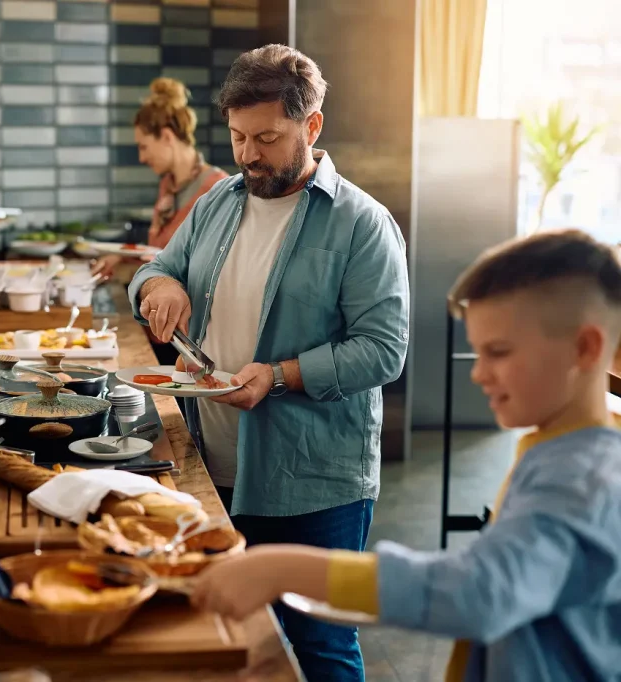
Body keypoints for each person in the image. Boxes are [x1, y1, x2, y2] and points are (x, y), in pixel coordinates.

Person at [191, 230, 621, 682]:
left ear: (585, 349)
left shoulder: (580, 478)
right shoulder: (563, 449)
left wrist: (285, 568)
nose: (478, 373)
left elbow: (479, 593)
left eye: (499, 353)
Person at [128, 44, 410, 681]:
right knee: (236, 642)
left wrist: (281, 376)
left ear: (311, 127)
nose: (250, 154)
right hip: (214, 464)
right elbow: (157, 266)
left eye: (268, 137)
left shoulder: (362, 223)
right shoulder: (220, 201)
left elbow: (384, 349)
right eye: (237, 137)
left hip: (313, 481)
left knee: (320, 647)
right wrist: (158, 287)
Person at [92, 77, 228, 280]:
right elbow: (159, 254)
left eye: (144, 146)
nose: (141, 157)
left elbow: (210, 268)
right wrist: (121, 258)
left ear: (166, 136)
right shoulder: (168, 186)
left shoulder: (216, 188)